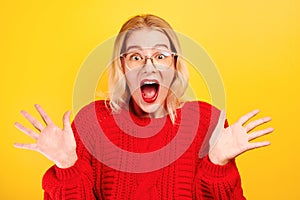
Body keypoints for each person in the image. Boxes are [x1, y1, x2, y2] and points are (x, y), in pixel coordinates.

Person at [14, 14, 273, 199]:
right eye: (136, 57)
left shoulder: (206, 121)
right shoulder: (92, 122)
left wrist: (217, 164)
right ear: (122, 66)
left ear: (174, 65)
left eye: (160, 56)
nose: (149, 66)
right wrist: (67, 165)